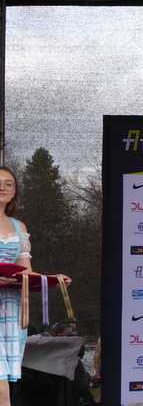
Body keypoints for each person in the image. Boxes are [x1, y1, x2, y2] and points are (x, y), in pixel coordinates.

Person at [0, 166, 33, 406]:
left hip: (10, 309)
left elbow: (26, 271)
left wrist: (53, 279)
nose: (2, 187)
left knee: (4, 381)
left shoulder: (19, 227)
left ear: (14, 192)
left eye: (8, 184)